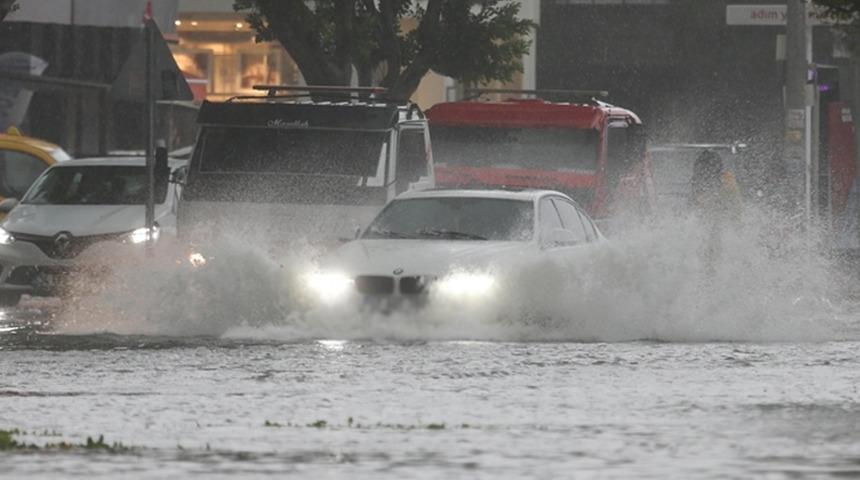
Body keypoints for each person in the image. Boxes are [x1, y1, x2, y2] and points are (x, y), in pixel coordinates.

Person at [690, 150, 742, 273]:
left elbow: (705, 204)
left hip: (724, 230)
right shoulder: (722, 179)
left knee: (712, 260)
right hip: (718, 230)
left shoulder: (726, 181)